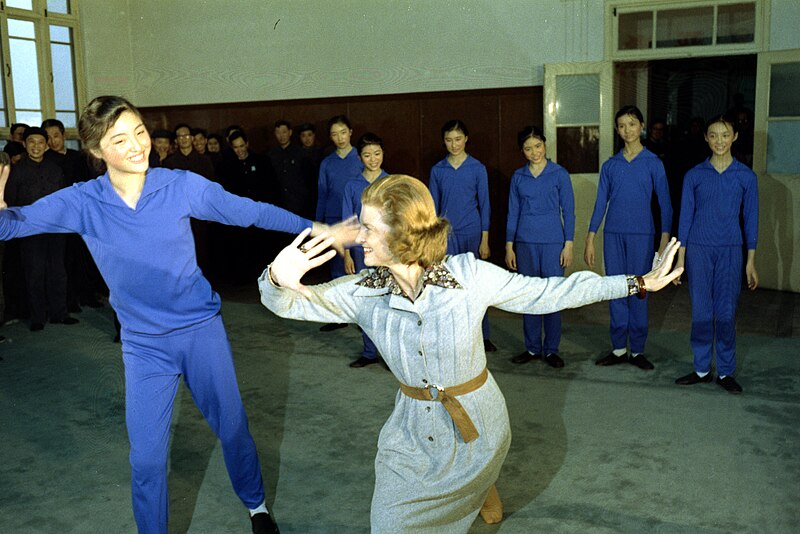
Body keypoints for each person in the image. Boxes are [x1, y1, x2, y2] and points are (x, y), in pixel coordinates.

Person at [0, 95, 357, 534]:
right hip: (144, 346)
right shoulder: (81, 202)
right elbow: (12, 224)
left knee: (232, 428)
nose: (137, 146)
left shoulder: (180, 185)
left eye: (140, 132)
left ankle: (257, 506)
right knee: (146, 458)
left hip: (199, 332)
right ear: (95, 151)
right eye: (120, 139)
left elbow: (249, 211)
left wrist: (319, 228)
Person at [259, 174, 684, 532]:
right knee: (387, 523)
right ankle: (471, 488)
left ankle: (482, 484)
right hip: (408, 435)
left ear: (404, 232)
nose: (355, 237)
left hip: (476, 427)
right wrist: (278, 277)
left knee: (465, 490)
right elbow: (291, 303)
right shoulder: (361, 294)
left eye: (368, 228)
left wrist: (638, 282)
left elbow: (551, 292)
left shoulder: (470, 278)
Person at [674, 114, 758, 394]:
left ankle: (725, 371)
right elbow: (685, 218)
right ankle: (700, 368)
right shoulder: (694, 175)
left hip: (731, 251)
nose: (719, 140)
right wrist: (680, 259)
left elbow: (751, 219)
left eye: (725, 135)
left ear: (734, 136)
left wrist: (751, 261)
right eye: (713, 135)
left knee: (725, 312)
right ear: (706, 138)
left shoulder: (746, 176)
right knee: (701, 311)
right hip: (698, 249)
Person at [585, 105, 672, 371]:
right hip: (613, 235)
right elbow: (601, 202)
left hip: (642, 235)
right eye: (622, 125)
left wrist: (664, 240)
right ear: (617, 129)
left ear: (642, 126)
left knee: (638, 291)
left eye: (632, 124)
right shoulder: (610, 165)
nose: (627, 130)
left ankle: (638, 351)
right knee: (616, 290)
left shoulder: (653, 163)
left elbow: (665, 203)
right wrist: (591, 238)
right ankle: (619, 348)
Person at [505, 126, 575, 368]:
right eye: (527, 148)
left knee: (553, 296)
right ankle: (532, 348)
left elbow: (569, 211)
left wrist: (568, 245)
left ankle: (552, 349)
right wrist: (509, 245)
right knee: (530, 296)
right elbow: (513, 212)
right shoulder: (518, 177)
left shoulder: (559, 174)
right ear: (522, 151)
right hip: (525, 243)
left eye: (538, 146)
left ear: (545, 145)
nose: (534, 152)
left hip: (553, 242)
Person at [429, 119, 495, 352]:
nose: (454, 144)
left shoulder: (477, 168)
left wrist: (484, 239)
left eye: (458, 139)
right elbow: (432, 209)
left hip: (472, 232)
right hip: (447, 236)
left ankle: (482, 335)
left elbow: (485, 205)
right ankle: (452, 334)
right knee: (448, 285)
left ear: (466, 139)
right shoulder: (438, 170)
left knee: (475, 284)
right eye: (448, 140)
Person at [4, 126, 78, 331]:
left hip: (55, 228)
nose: (36, 146)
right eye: (31, 142)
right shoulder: (16, 171)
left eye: (40, 143)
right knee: (34, 272)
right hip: (29, 229)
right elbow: (10, 201)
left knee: (58, 271)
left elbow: (64, 199)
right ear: (25, 145)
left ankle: (59, 313)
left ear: (46, 146)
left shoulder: (55, 169)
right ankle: (37, 317)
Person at [341, 133, 389, 368]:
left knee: (390, 301)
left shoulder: (391, 182)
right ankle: (369, 352)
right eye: (368, 155)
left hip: (388, 251)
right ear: (359, 158)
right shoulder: (352, 185)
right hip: (361, 251)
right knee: (367, 301)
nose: (373, 159)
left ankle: (390, 354)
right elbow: (347, 222)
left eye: (377, 154)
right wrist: (347, 253)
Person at [316, 115, 362, 331]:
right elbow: (322, 194)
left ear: (351, 132)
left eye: (343, 132)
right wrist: (319, 223)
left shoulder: (362, 158)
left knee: (361, 268)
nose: (339, 138)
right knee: (337, 270)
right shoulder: (327, 163)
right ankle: (339, 315)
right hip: (334, 220)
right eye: (334, 134)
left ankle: (363, 316)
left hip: (358, 221)